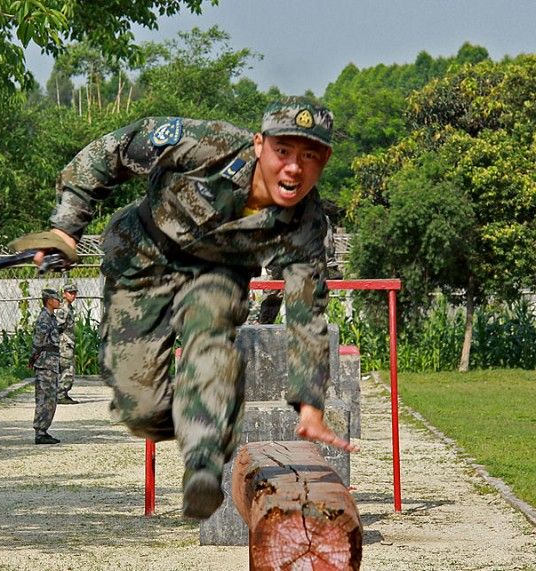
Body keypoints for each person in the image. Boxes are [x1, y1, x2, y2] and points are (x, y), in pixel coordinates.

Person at [24, 96, 358, 519]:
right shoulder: (209, 145)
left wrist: (310, 405)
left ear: (324, 162)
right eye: (283, 151)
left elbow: (307, 314)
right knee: (140, 411)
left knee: (212, 331)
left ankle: (204, 461)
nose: (294, 168)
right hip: (143, 259)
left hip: (217, 273)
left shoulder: (308, 225)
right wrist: (66, 228)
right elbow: (115, 148)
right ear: (259, 145)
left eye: (309, 156)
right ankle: (191, 414)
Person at [32, 288, 61, 444]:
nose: (59, 301)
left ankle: (43, 430)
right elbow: (38, 340)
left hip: (51, 363)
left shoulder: (51, 317)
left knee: (50, 398)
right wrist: (34, 358)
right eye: (56, 299)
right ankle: (40, 432)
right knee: (45, 398)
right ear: (49, 300)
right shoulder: (44, 318)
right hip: (45, 364)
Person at [56, 283, 79, 405]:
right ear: (64, 294)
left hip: (68, 343)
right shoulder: (63, 309)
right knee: (68, 369)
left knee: (66, 369)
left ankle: (62, 393)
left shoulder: (69, 308)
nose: (73, 295)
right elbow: (57, 327)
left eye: (75, 293)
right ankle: (60, 394)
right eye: (71, 293)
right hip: (64, 344)